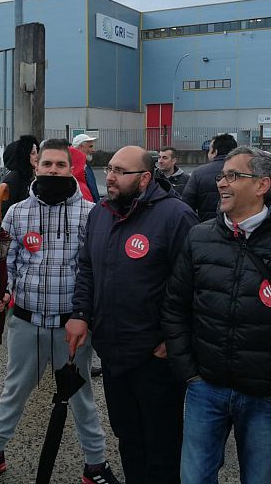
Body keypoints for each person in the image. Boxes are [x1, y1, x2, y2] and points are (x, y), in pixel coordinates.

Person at [162, 147, 271, 484]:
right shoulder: (199, 237)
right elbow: (175, 307)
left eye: (233, 176)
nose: (221, 183)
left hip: (269, 397)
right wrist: (188, 371)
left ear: (262, 185)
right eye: (221, 176)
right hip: (206, 389)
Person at [0, 139, 119, 484]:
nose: (53, 171)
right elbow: (8, 263)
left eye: (61, 165)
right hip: (26, 323)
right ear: (36, 166)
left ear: (71, 169)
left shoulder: (91, 214)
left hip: (71, 328)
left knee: (81, 397)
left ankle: (95, 465)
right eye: (47, 164)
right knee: (13, 391)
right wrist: (2, 294)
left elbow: (95, 271)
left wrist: (85, 316)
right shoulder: (18, 212)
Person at [66, 146, 199, 484]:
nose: (110, 177)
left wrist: (173, 338)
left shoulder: (176, 216)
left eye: (120, 171)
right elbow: (87, 268)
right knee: (128, 436)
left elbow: (194, 284)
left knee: (162, 443)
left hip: (155, 358)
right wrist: (81, 312)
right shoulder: (101, 214)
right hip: (114, 354)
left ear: (144, 179)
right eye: (109, 169)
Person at [181, 133, 237, 221]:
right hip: (238, 225)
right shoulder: (244, 171)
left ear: (215, 152)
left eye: (209, 150)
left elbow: (187, 204)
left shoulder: (199, 173)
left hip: (206, 223)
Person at [0, 134, 38, 215]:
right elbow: (5, 211)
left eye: (37, 152)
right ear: (23, 156)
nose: (37, 156)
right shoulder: (14, 178)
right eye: (33, 153)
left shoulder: (28, 176)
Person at [72, 133, 101, 202]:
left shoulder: (86, 166)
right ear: (80, 147)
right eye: (90, 146)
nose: (93, 150)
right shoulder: (71, 169)